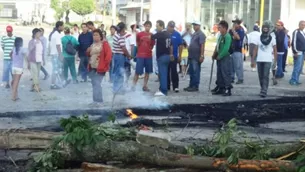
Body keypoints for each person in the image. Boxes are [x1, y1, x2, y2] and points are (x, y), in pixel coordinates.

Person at [86, 29, 112, 106]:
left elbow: (108, 56)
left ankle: (100, 101)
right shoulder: (92, 45)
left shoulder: (104, 44)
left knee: (97, 83)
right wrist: (88, 51)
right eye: (94, 35)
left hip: (100, 68)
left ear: (100, 36)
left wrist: (105, 66)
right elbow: (88, 55)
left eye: (97, 35)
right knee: (94, 83)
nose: (95, 36)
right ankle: (95, 100)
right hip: (92, 67)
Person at [252, 20, 277, 98]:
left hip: (268, 60)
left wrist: (275, 61)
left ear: (268, 29)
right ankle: (262, 88)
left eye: (267, 28)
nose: (265, 30)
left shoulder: (272, 38)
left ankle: (264, 91)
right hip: (259, 60)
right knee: (260, 76)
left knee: (266, 75)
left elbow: (275, 49)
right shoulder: (259, 38)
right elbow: (255, 49)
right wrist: (253, 60)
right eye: (264, 28)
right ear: (262, 29)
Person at [211, 20, 233, 96]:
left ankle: (228, 89)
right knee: (219, 73)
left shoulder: (227, 36)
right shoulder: (220, 36)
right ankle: (221, 87)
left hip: (225, 57)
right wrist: (214, 54)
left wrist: (220, 56)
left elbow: (226, 48)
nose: (218, 29)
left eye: (220, 27)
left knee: (225, 73)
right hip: (219, 57)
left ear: (224, 28)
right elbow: (217, 46)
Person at [151, 20, 172, 96]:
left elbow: (152, 37)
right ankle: (163, 88)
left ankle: (163, 91)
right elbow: (171, 45)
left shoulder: (161, 34)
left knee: (162, 74)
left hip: (162, 56)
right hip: (167, 56)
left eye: (157, 26)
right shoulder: (168, 34)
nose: (156, 28)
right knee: (165, 73)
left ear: (161, 26)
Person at [184, 21, 206, 92]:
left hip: (196, 56)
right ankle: (191, 85)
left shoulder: (201, 34)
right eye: (193, 25)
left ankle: (195, 86)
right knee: (191, 72)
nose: (194, 26)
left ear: (199, 26)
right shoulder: (194, 34)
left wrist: (202, 55)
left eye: (195, 25)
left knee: (196, 71)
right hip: (191, 55)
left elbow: (202, 45)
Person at [132, 20, 154, 91]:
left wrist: (148, 49)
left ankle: (145, 86)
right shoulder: (139, 34)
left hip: (148, 55)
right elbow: (137, 42)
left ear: (150, 27)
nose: (147, 27)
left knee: (147, 72)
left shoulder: (152, 35)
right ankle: (133, 86)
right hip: (140, 55)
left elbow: (152, 44)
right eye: (146, 26)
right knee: (137, 72)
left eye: (149, 26)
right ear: (144, 26)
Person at [112, 22, 132, 94]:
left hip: (116, 56)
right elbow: (123, 48)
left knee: (116, 72)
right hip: (120, 56)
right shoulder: (120, 37)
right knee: (119, 73)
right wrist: (129, 56)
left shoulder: (116, 35)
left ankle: (115, 88)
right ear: (123, 29)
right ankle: (118, 89)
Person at [167, 21, 183, 92]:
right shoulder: (164, 33)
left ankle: (175, 86)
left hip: (174, 56)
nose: (171, 28)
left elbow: (181, 45)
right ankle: (167, 86)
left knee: (174, 72)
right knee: (166, 72)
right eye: (170, 26)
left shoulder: (177, 34)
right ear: (167, 26)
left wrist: (180, 55)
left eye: (172, 27)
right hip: (166, 56)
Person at [49, 21, 64, 89]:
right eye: (62, 26)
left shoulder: (55, 34)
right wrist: (60, 55)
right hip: (56, 54)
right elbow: (58, 46)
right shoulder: (57, 34)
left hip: (54, 54)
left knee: (58, 69)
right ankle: (53, 84)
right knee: (55, 70)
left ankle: (59, 82)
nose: (63, 27)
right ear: (59, 26)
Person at [230, 19, 245, 84]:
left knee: (238, 65)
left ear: (238, 24)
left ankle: (240, 78)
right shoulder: (232, 30)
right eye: (233, 23)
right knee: (231, 66)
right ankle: (231, 78)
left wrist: (233, 31)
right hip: (232, 50)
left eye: (235, 23)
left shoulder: (241, 30)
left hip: (238, 50)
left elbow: (238, 38)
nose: (234, 25)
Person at [290, 20, 305, 85]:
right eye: (302, 25)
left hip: (303, 52)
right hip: (298, 52)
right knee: (297, 67)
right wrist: (295, 51)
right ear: (299, 25)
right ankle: (293, 80)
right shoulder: (296, 32)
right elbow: (294, 42)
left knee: (300, 68)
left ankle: (296, 79)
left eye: (304, 25)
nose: (303, 26)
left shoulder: (303, 33)